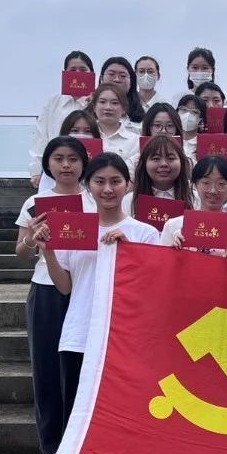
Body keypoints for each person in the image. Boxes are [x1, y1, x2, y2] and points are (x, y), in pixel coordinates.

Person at [31, 153, 162, 426]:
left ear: (128, 185)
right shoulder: (74, 228)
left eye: (116, 181)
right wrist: (49, 252)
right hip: (79, 334)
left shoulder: (145, 233)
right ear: (88, 186)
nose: (108, 189)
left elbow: (151, 289)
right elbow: (65, 287)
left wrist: (130, 251)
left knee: (123, 416)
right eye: (99, 181)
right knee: (77, 417)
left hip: (124, 337)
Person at [16, 136, 93, 454]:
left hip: (85, 289)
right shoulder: (35, 202)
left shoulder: (94, 200)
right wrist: (33, 239)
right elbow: (20, 253)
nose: (66, 165)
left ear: (83, 163)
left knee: (80, 368)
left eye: (73, 159)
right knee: (46, 366)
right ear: (48, 163)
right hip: (46, 289)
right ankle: (52, 444)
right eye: (59, 158)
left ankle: (79, 441)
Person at [159, 155, 227, 261]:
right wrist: (173, 253)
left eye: (221, 184)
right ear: (195, 184)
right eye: (206, 183)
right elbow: (162, 265)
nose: (213, 190)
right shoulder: (172, 226)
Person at [28, 50, 94, 187]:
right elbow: (41, 136)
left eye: (83, 70)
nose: (78, 73)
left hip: (89, 168)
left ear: (92, 73)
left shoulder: (98, 102)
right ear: (65, 73)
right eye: (73, 69)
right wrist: (36, 170)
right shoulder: (54, 102)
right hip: (56, 168)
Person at [87, 84, 140, 170]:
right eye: (102, 102)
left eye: (115, 103)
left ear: (124, 109)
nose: (108, 107)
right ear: (94, 107)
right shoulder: (85, 136)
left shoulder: (136, 142)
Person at [132, 132, 192, 205]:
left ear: (181, 162)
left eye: (170, 158)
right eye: (156, 158)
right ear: (144, 163)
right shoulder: (129, 200)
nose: (164, 164)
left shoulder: (196, 198)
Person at [100, 55, 145, 123]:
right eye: (111, 74)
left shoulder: (145, 115)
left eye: (123, 76)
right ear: (102, 78)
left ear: (131, 81)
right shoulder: (87, 108)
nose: (117, 79)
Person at [175, 94, 206, 163]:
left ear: (201, 120)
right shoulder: (170, 140)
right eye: (184, 109)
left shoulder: (205, 143)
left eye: (194, 112)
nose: (188, 115)